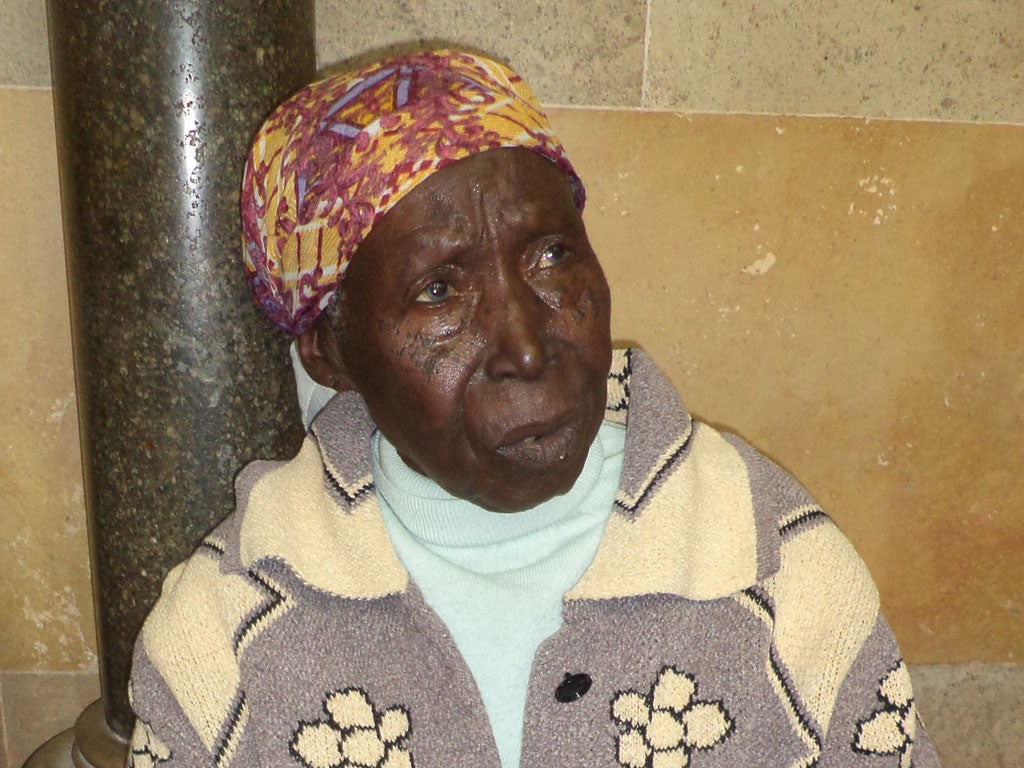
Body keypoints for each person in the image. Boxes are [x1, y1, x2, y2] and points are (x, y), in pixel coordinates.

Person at [126, 49, 940, 768]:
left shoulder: (773, 570)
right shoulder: (226, 640)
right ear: (330, 354)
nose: (524, 345)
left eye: (551, 255)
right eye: (438, 291)